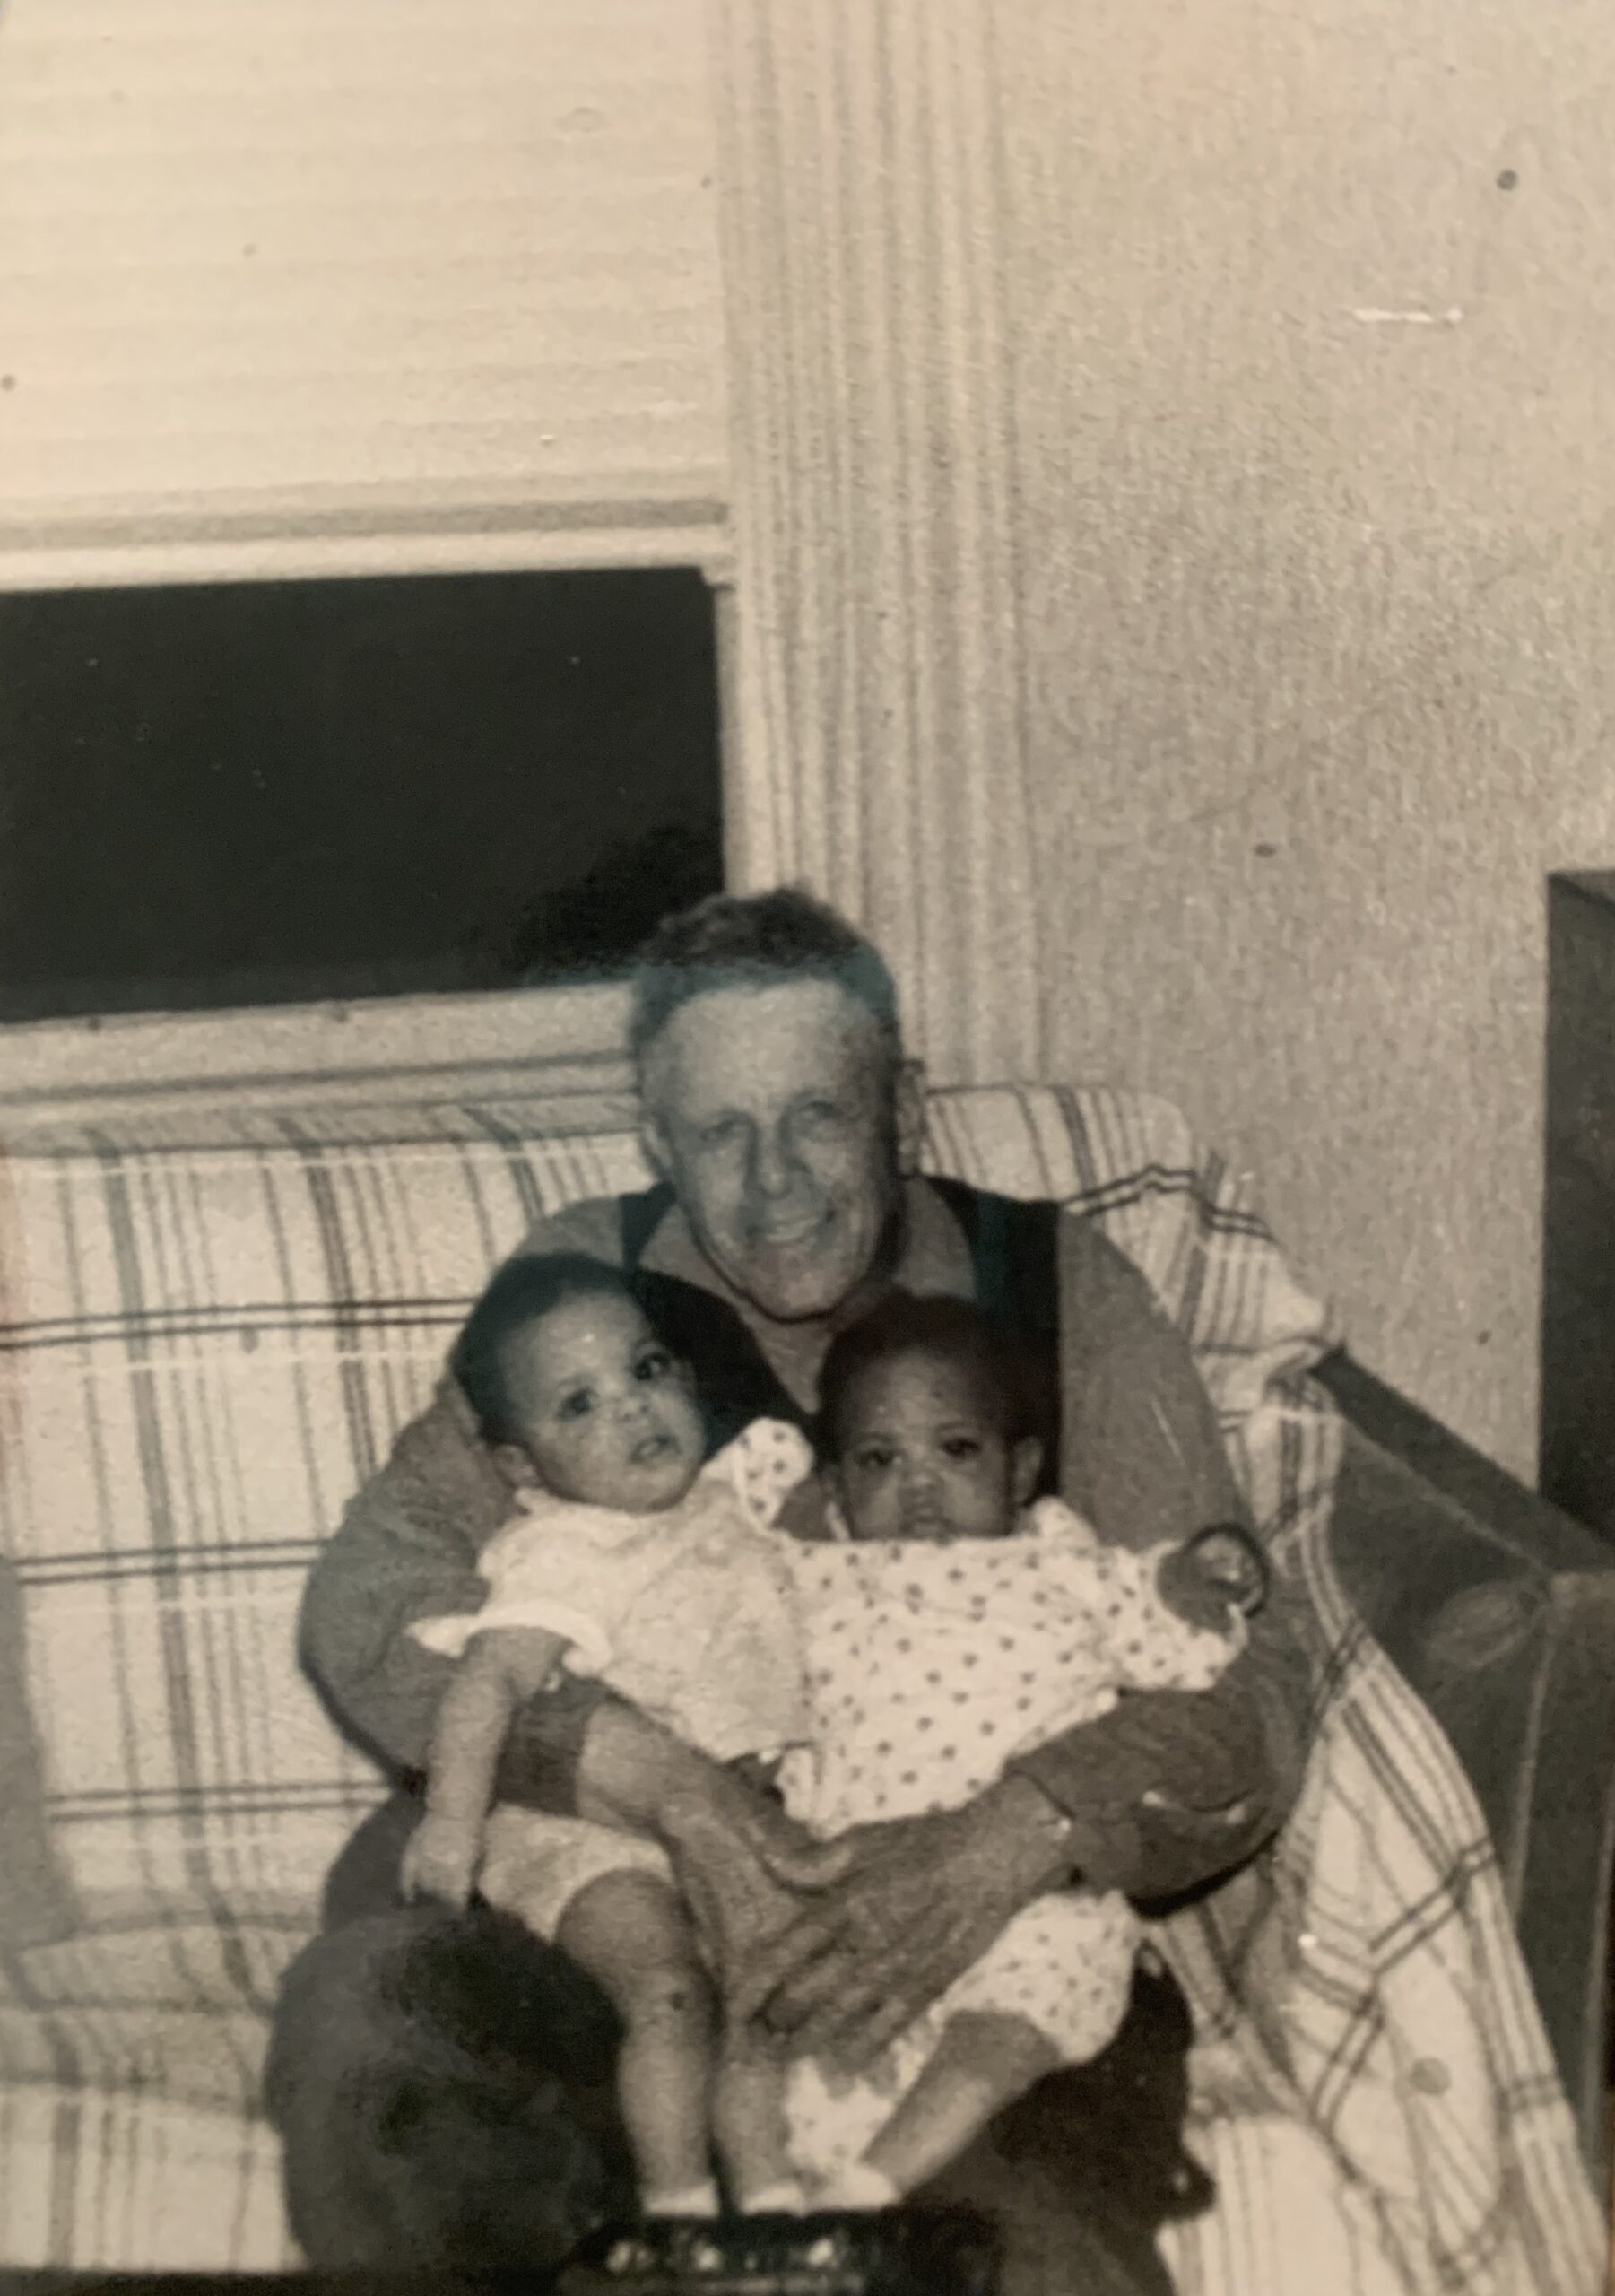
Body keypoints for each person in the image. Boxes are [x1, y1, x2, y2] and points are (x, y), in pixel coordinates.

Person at [265, 887, 1305, 2288]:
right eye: (719, 1132)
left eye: (815, 1116)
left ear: (903, 1110)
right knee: (369, 2031)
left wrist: (1006, 1836)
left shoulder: (1057, 1288)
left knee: (1012, 2252)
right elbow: (367, 1601)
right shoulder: (592, 1288)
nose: (771, 1184)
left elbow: (1249, 1683)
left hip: (965, 1959)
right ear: (656, 1140)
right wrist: (664, 1787)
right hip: (613, 1937)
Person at [397, 1252, 813, 2221]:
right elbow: (486, 1682)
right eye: (577, 1405)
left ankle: (776, 2207)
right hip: (599, 1840)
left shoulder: (730, 1502)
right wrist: (452, 1825)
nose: (630, 1408)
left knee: (767, 2000)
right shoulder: (565, 1547)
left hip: (743, 1816)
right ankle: (676, 2205)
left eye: (646, 1370)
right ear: (521, 1465)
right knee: (669, 1991)